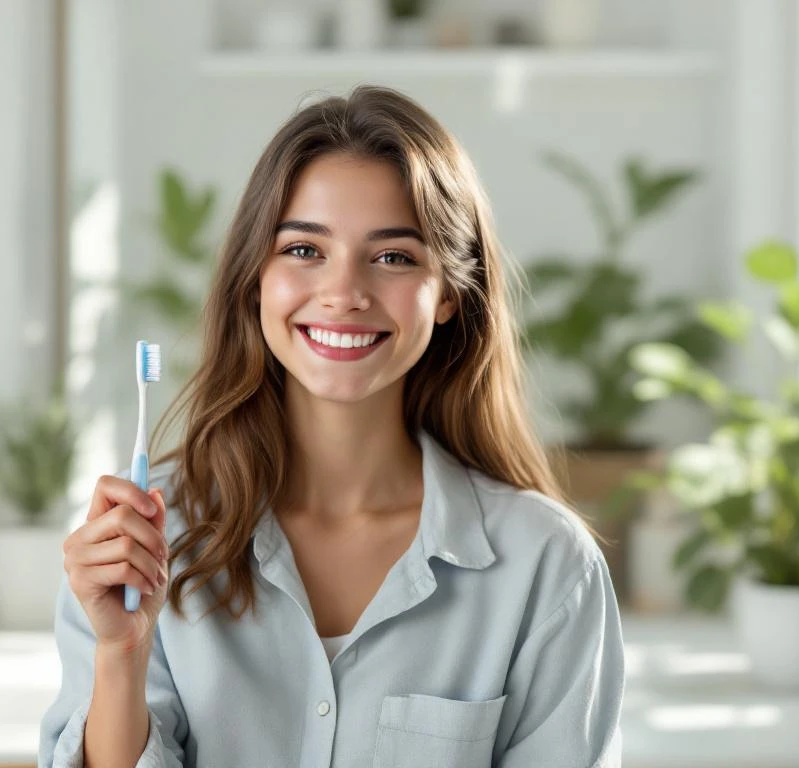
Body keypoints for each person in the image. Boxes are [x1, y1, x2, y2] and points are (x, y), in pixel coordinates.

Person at [39, 84, 624, 768]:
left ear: (448, 296)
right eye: (304, 251)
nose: (344, 293)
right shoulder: (144, 542)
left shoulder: (544, 565)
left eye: (394, 257)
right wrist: (122, 653)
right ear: (255, 278)